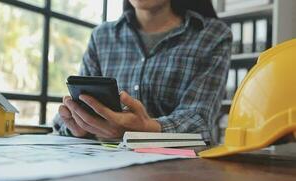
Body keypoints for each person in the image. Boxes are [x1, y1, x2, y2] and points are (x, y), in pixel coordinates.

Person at [54, 0, 232, 144]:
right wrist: (79, 125)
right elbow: (67, 116)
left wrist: (146, 127)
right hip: (107, 166)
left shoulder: (212, 35)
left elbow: (198, 120)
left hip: (180, 170)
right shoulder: (101, 36)